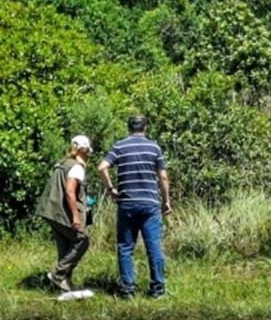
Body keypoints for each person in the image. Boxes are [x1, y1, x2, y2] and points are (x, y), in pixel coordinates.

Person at [97, 115, 171, 298]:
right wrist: (166, 201)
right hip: (150, 204)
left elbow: (102, 167)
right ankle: (158, 290)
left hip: (127, 203)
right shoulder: (154, 147)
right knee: (153, 247)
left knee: (125, 247)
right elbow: (163, 177)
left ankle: (127, 290)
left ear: (128, 128)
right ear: (145, 127)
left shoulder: (120, 146)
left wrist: (111, 189)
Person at [34, 135, 94, 293]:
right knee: (82, 241)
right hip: (62, 213)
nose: (88, 155)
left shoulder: (61, 163)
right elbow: (69, 191)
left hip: (50, 211)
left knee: (65, 248)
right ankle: (58, 275)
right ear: (82, 149)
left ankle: (63, 286)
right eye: (87, 151)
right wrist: (75, 216)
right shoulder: (76, 167)